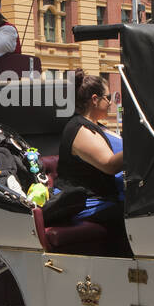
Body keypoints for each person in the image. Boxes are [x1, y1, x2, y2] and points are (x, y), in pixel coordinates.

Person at [54, 69, 132, 256]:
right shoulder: (79, 129)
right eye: (108, 98)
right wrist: (139, 144)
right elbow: (110, 165)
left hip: (104, 198)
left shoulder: (96, 126)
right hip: (86, 203)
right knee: (139, 213)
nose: (111, 102)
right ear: (95, 99)